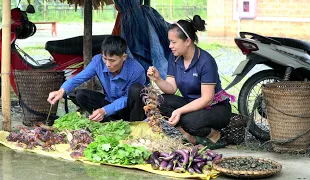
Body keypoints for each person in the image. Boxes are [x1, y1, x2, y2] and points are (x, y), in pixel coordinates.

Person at [143, 15, 234, 146]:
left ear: (187, 41)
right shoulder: (174, 58)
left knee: (189, 122)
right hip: (192, 104)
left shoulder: (206, 61)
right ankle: (189, 136)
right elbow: (171, 88)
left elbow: (207, 99)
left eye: (174, 42)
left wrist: (179, 111)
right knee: (158, 101)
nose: (170, 46)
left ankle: (215, 135)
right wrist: (157, 79)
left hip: (215, 107)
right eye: (170, 42)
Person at [47, 35, 146, 122]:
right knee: (81, 95)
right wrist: (62, 91)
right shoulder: (98, 61)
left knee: (137, 90)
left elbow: (126, 98)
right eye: (105, 59)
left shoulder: (136, 70)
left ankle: (134, 125)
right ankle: (108, 122)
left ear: (123, 57)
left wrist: (105, 110)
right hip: (109, 104)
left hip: (129, 109)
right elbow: (78, 78)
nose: (108, 64)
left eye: (112, 60)